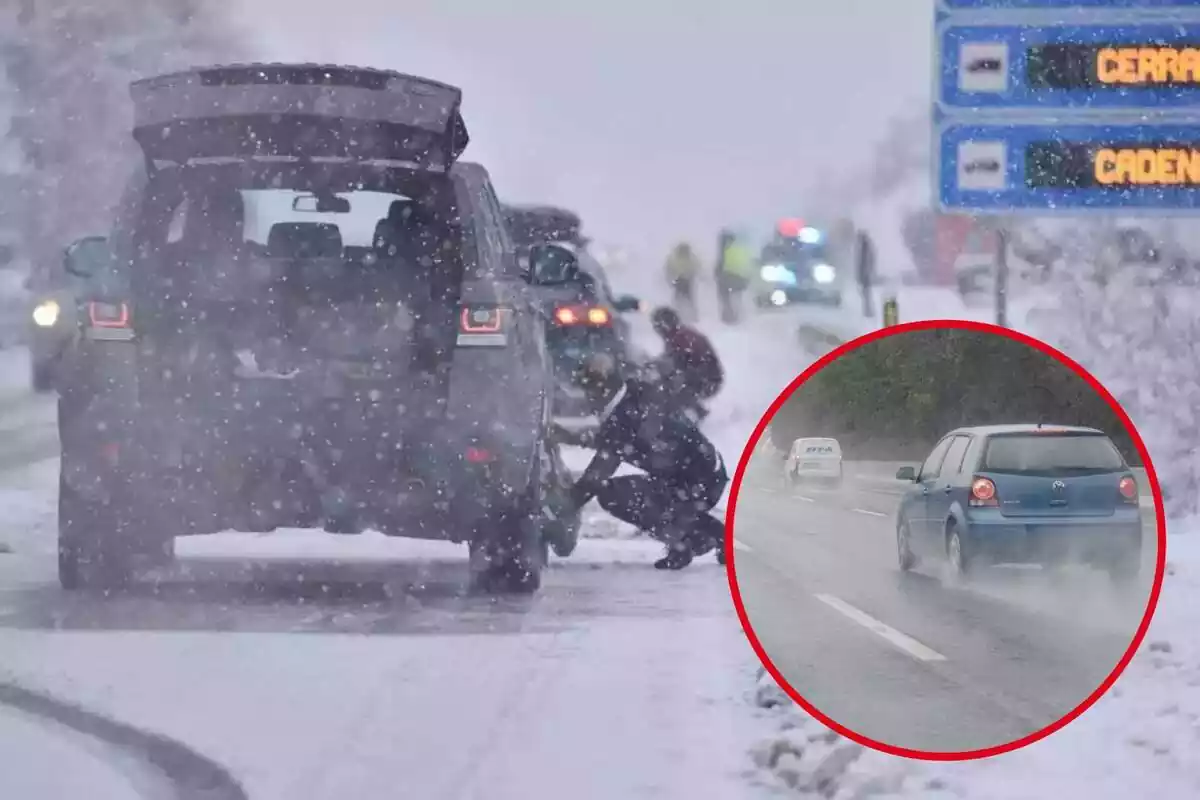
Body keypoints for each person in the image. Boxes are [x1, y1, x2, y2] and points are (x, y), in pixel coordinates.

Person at [551, 353, 728, 570]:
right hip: (704, 473)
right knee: (655, 498)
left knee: (613, 495)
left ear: (600, 391)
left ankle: (688, 541)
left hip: (698, 481)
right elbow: (617, 441)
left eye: (588, 394)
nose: (587, 403)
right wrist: (571, 437)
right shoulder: (633, 398)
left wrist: (562, 508)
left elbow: (596, 476)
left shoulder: (624, 417)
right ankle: (699, 536)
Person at [649, 306, 723, 421]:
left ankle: (684, 418)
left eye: (657, 326)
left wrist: (659, 366)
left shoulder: (680, 338)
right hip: (709, 376)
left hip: (708, 380)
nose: (657, 331)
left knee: (669, 386)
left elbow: (678, 363)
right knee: (671, 379)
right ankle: (695, 410)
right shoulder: (679, 335)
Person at [715, 229, 754, 324]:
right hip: (740, 278)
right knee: (736, 297)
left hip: (728, 277)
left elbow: (720, 265)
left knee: (725, 296)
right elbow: (748, 264)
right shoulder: (741, 250)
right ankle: (737, 315)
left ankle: (729, 315)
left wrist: (717, 274)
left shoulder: (726, 251)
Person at [663, 242, 701, 320]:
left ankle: (686, 316)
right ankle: (690, 316)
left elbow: (669, 269)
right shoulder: (690, 258)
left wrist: (670, 279)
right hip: (684, 281)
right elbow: (696, 268)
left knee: (683, 300)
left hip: (682, 281)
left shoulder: (676, 258)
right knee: (686, 300)